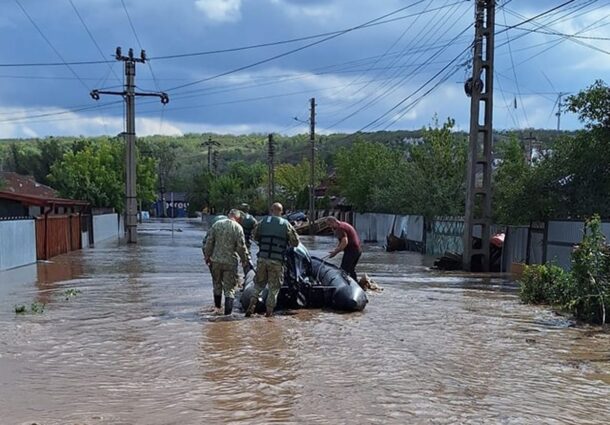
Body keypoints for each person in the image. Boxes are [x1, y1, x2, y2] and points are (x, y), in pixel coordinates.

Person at [245, 202, 299, 318]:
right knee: (274, 288)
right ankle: (268, 314)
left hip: (262, 259)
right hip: (277, 260)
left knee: (258, 284)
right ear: (282, 211)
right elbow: (295, 242)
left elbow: (254, 236)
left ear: (271, 210)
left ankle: (251, 306)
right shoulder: (286, 224)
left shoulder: (263, 221)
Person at [204, 210, 252, 315]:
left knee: (217, 285)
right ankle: (227, 315)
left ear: (229, 215)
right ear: (238, 218)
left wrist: (207, 256)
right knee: (229, 289)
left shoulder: (217, 224)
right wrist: (244, 260)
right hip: (230, 262)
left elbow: (209, 242)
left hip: (216, 260)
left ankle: (217, 309)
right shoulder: (238, 228)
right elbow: (241, 247)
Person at [326, 216, 362, 282]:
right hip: (358, 250)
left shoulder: (340, 228)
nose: (330, 227)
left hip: (351, 251)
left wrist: (335, 252)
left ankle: (346, 286)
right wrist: (336, 249)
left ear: (333, 222)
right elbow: (342, 242)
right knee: (351, 269)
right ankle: (356, 283)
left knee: (343, 270)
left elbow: (345, 242)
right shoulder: (343, 224)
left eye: (329, 225)